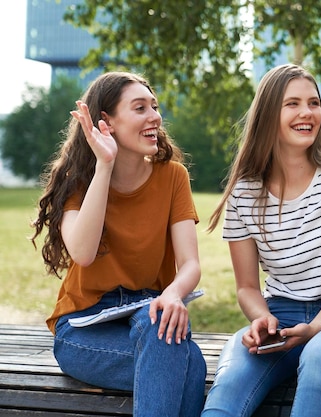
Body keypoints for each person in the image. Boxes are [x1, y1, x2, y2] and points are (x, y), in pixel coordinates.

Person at [201, 63, 321, 417]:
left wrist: (315, 328)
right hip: (278, 316)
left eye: (313, 103)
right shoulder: (244, 192)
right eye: (292, 104)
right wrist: (261, 320)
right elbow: (247, 287)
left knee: (319, 356)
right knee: (229, 386)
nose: (307, 113)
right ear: (268, 115)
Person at [30, 71, 207, 417]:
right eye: (140, 108)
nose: (155, 116)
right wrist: (104, 165)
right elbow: (81, 252)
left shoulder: (173, 176)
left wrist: (173, 294)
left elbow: (190, 264)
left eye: (154, 106)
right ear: (106, 122)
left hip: (150, 310)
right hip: (82, 328)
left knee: (170, 346)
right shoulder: (79, 179)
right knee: (188, 364)